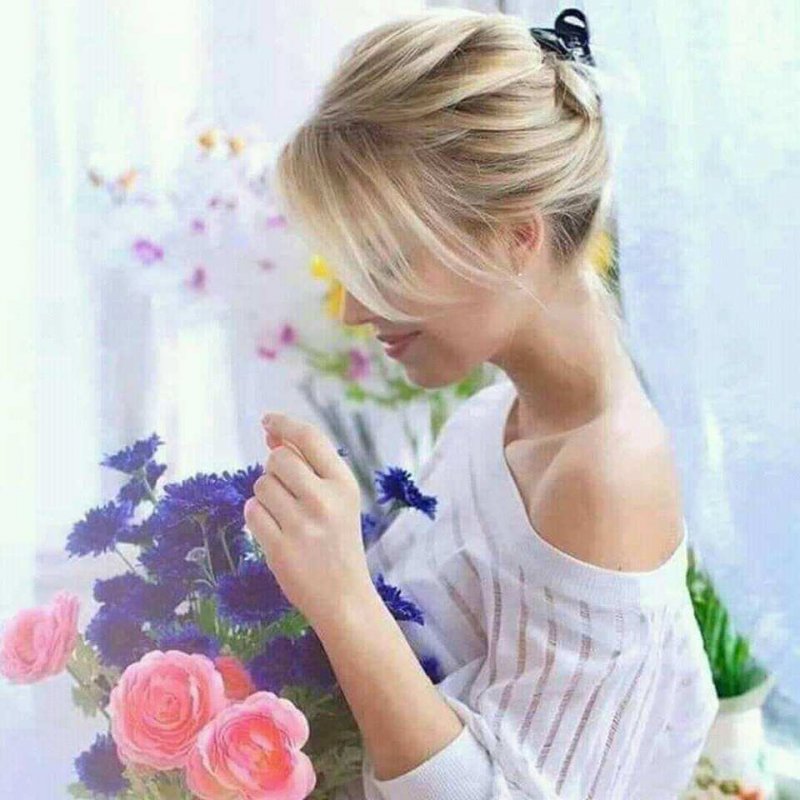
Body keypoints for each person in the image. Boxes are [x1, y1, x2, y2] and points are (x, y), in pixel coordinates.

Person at [263, 7, 719, 798]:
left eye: (384, 264)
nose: (354, 309)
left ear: (517, 235)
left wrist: (341, 598)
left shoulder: (604, 480)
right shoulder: (493, 418)